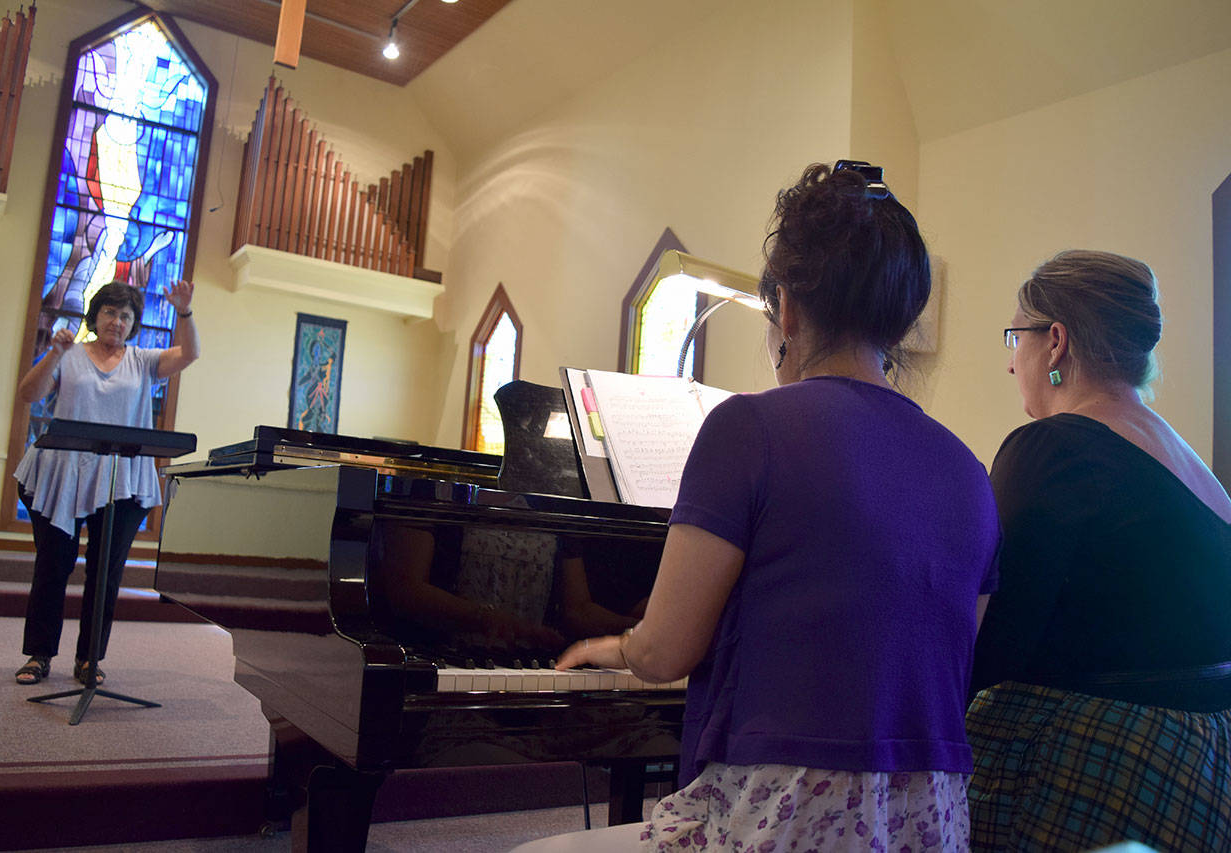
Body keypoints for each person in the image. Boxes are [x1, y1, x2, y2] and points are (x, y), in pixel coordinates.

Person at [518, 162, 1002, 852]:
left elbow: (666, 651)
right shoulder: (970, 474)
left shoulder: (749, 430)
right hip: (932, 826)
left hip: (784, 819)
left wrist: (615, 645)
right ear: (900, 320)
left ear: (789, 307)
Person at [967, 250, 1231, 851]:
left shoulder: (1052, 446)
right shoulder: (1193, 467)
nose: (1013, 365)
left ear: (1055, 341)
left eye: (1017, 338)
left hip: (1102, 775)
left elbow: (988, 645)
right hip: (1202, 783)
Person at [12, 280, 200, 686]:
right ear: (96, 316)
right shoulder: (69, 354)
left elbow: (190, 354)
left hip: (122, 481)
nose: (118, 321)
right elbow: (29, 393)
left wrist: (184, 312)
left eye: (127, 316)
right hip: (62, 476)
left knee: (106, 573)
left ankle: (88, 660)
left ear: (134, 325)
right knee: (52, 567)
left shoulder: (143, 360)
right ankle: (38, 655)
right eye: (111, 313)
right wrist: (55, 353)